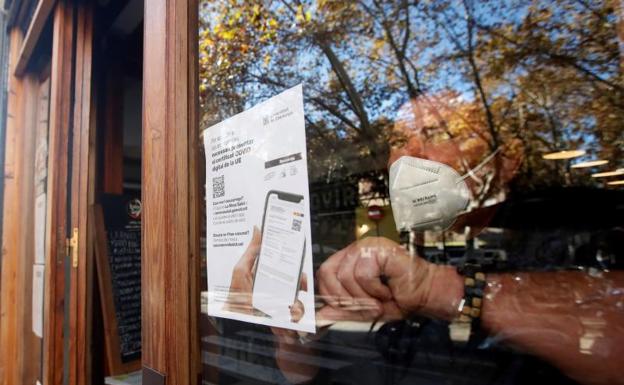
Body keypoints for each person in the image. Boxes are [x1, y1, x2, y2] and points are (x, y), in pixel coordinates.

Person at [224, 99, 624, 385]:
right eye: (401, 139)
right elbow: (305, 373)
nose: (411, 154)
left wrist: (440, 289)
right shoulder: (409, 251)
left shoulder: (574, 235)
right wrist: (298, 346)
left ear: (508, 159)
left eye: (434, 134)